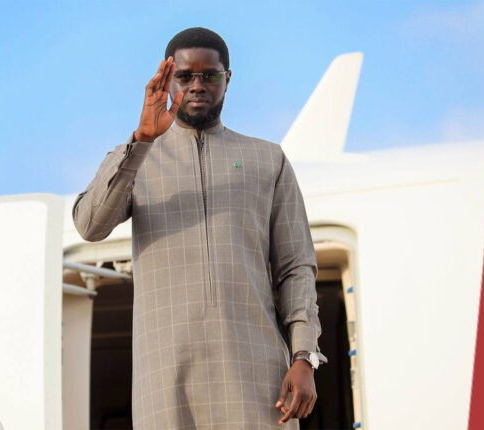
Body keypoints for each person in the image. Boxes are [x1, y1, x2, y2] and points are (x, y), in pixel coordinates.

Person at [72, 27, 327, 429]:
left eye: (209, 75)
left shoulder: (267, 160)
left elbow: (296, 267)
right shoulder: (137, 157)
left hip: (256, 374)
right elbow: (89, 225)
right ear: (166, 80)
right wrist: (141, 140)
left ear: (228, 78)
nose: (197, 85)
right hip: (166, 378)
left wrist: (304, 357)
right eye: (185, 76)